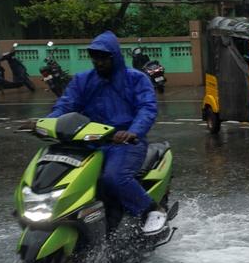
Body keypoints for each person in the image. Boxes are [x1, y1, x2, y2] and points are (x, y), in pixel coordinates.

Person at [42, 31, 165, 235]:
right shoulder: (83, 80)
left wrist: (133, 132)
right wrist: (47, 123)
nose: (98, 62)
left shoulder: (136, 79)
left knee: (114, 177)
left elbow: (147, 108)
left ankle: (151, 209)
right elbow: (65, 105)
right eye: (95, 58)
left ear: (114, 56)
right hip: (88, 143)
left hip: (124, 144)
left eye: (103, 58)